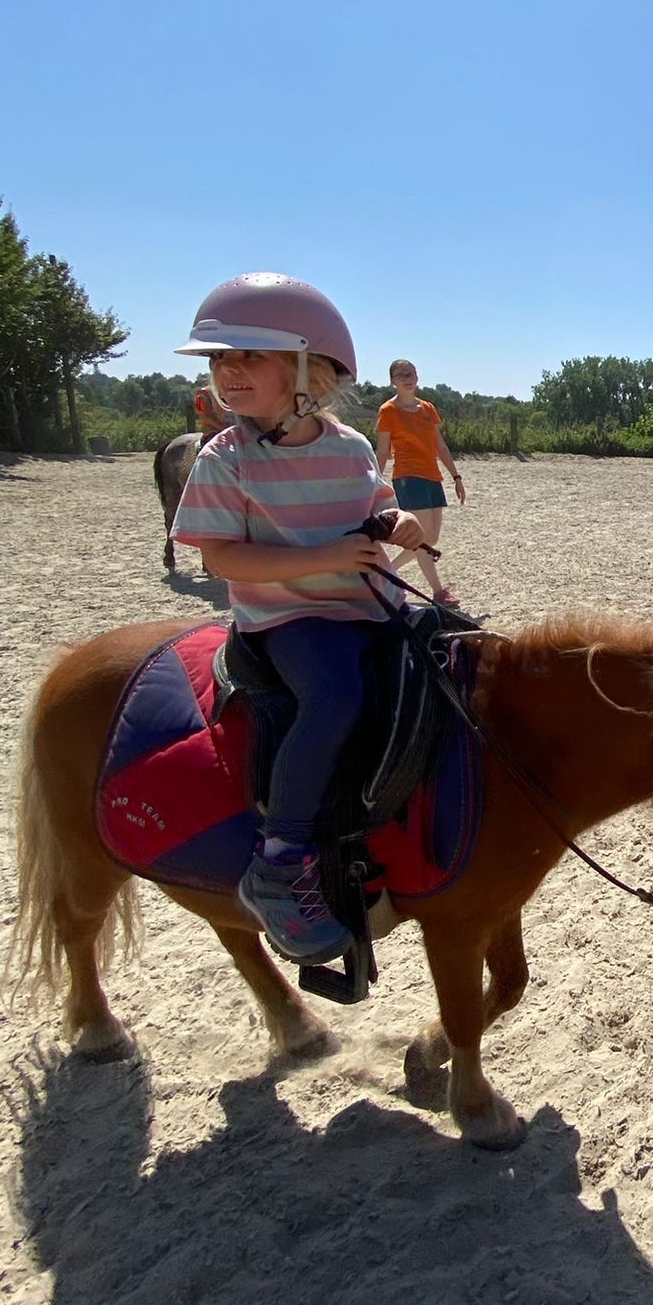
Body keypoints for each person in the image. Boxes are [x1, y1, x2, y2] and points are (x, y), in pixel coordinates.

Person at [170, 273, 426, 965]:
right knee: (335, 696)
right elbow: (221, 557)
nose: (229, 371)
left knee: (445, 666)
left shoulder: (351, 447)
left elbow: (375, 506)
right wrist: (323, 559)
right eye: (221, 359)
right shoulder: (225, 460)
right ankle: (281, 858)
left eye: (249, 356)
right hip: (290, 618)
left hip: (368, 603)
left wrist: (397, 522)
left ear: (310, 371)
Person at [374, 359, 466, 604]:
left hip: (432, 477)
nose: (408, 378)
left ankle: (385, 571)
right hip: (408, 478)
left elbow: (440, 446)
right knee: (423, 539)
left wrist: (456, 476)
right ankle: (438, 592)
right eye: (402, 374)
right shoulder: (388, 411)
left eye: (411, 373)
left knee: (430, 538)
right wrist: (375, 480)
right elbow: (382, 451)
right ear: (392, 380)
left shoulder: (427, 408)